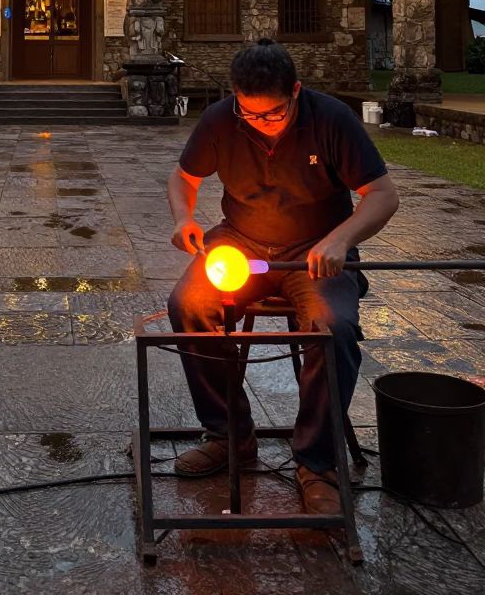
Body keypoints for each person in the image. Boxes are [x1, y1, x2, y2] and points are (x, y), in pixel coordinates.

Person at [166, 38, 398, 515]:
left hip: (314, 250)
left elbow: (382, 195)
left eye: (272, 114)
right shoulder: (222, 118)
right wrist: (183, 218)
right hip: (240, 242)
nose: (261, 124)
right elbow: (183, 178)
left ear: (295, 91)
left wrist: (340, 239)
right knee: (188, 303)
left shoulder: (331, 118)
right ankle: (229, 434)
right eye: (249, 114)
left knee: (331, 324)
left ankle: (316, 460)